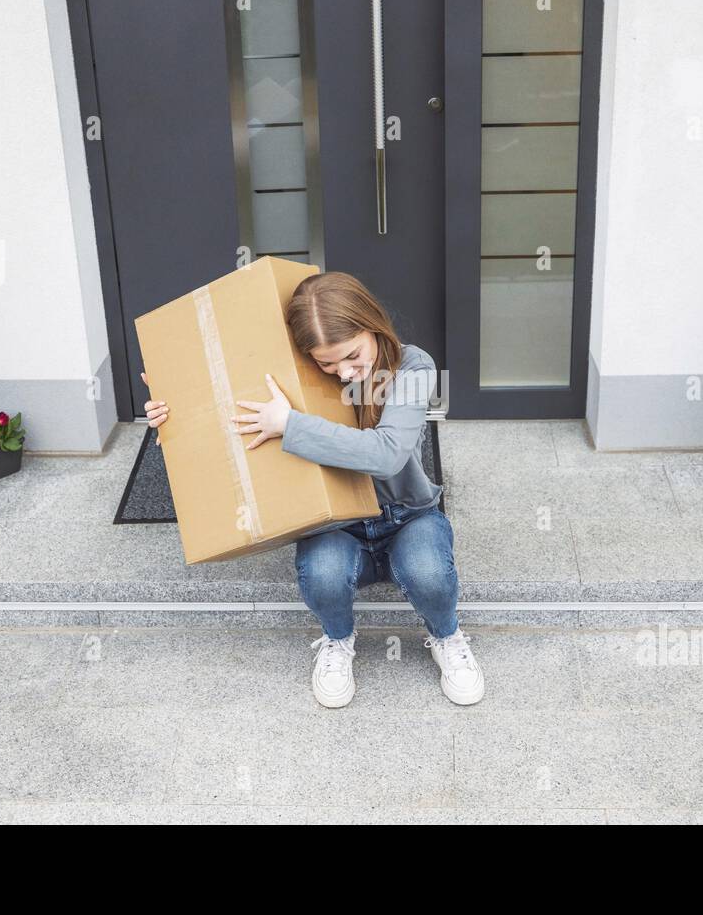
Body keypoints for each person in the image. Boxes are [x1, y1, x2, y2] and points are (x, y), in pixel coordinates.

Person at [142, 270, 484, 709]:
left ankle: (447, 636)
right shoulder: (296, 370)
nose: (343, 371)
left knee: (429, 574)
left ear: (372, 324)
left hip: (405, 515)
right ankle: (337, 642)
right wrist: (180, 412)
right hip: (334, 522)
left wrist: (291, 425)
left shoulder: (412, 366)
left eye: (353, 355)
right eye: (327, 363)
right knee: (322, 575)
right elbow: (226, 397)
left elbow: (386, 455)